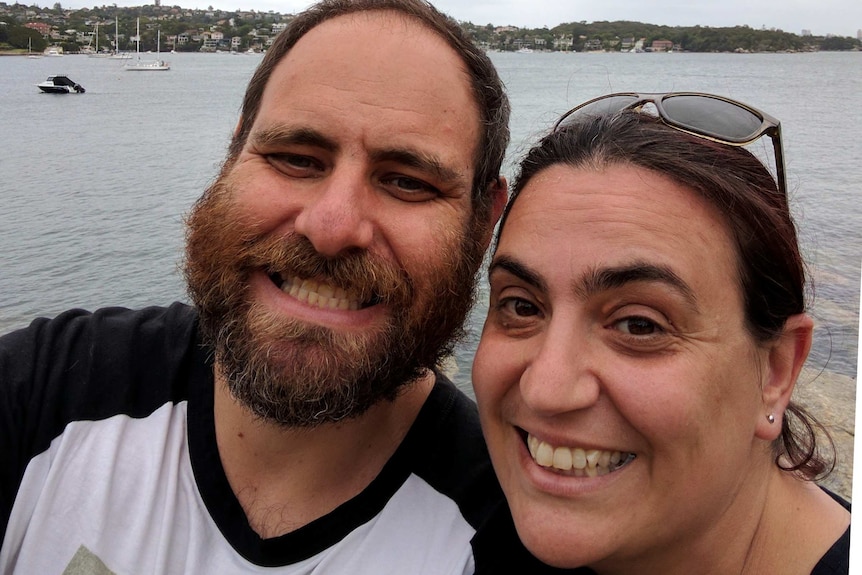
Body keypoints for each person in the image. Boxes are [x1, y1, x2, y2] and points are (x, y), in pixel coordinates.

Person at [0, 0, 511, 572]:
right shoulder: (48, 391)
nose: (331, 228)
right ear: (233, 154)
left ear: (484, 221)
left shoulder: (499, 531)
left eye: (407, 182)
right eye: (296, 158)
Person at [470, 93, 851, 574]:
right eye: (522, 306)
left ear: (775, 371)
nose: (545, 390)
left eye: (639, 325)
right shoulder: (483, 531)